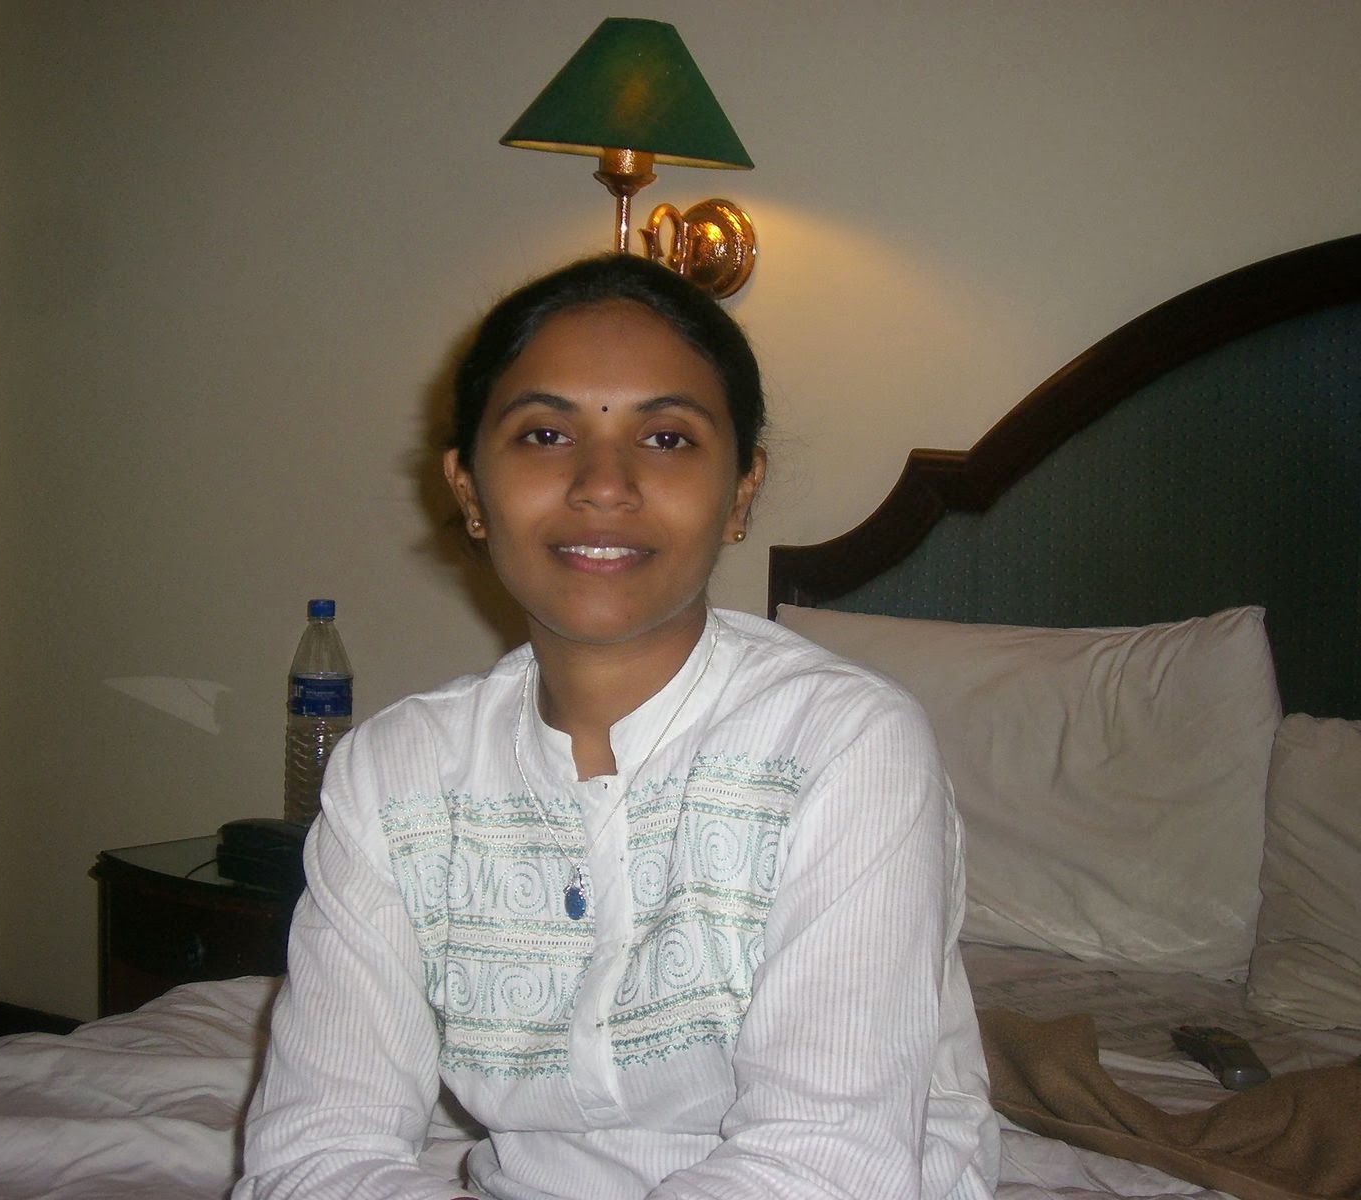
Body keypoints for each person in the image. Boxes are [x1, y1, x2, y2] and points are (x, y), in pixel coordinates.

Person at [236, 254, 998, 1199]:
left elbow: (827, 1164)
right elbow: (314, 1154)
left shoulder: (844, 745)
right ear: (469, 491)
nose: (604, 484)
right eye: (546, 433)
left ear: (742, 490)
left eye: (668, 438)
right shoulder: (394, 778)